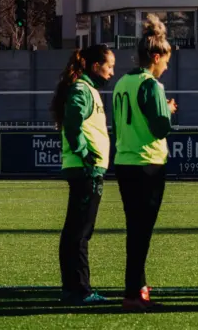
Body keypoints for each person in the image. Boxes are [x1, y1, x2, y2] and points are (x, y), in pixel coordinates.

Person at [111, 16, 177, 312]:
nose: (167, 67)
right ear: (156, 57)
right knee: (142, 232)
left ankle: (138, 288)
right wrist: (168, 110)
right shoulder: (152, 85)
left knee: (134, 229)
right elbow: (161, 127)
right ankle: (133, 293)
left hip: (125, 161)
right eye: (166, 61)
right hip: (147, 163)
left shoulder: (122, 83)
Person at [51, 43, 116, 306]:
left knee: (77, 231)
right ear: (95, 66)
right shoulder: (82, 89)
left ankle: (73, 288)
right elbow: (72, 123)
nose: (112, 72)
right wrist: (85, 153)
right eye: (109, 66)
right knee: (79, 232)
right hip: (85, 169)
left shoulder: (86, 89)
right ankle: (79, 290)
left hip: (85, 168)